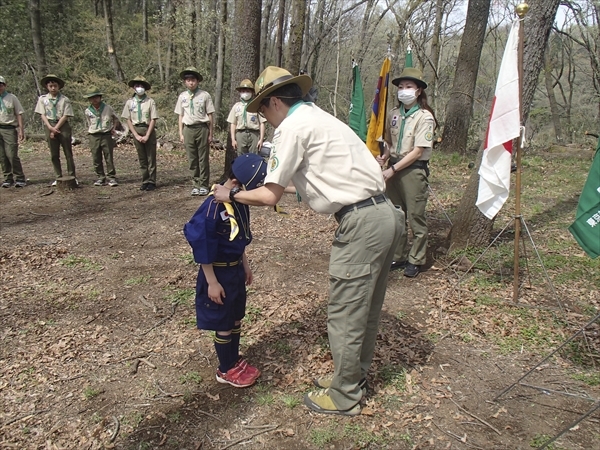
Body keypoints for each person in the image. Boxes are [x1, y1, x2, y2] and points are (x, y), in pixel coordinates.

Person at [212, 67, 404, 415]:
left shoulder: (292, 128)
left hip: (361, 222)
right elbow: (305, 181)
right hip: (385, 214)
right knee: (366, 309)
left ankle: (345, 395)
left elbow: (270, 196)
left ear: (274, 102)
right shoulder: (320, 118)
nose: (265, 121)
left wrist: (233, 193)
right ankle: (352, 378)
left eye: (263, 112)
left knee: (345, 313)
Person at [183, 153, 267, 388]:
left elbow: (237, 236)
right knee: (223, 323)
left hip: (235, 271)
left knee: (235, 317)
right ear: (238, 184)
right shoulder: (212, 207)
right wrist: (211, 282)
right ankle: (225, 368)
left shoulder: (238, 202)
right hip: (218, 274)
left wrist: (245, 265)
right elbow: (202, 245)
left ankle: (233, 358)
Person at [377, 65, 436, 278]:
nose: (404, 90)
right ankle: (399, 255)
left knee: (416, 216)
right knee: (397, 215)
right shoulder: (393, 114)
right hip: (392, 169)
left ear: (418, 90)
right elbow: (388, 142)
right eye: (401, 87)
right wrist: (384, 156)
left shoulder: (424, 117)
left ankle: (416, 258)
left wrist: (392, 169)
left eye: (408, 86)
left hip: (412, 171)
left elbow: (418, 151)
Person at [175, 67, 215, 196]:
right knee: (192, 159)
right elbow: (180, 116)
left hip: (202, 128)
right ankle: (195, 184)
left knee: (203, 158)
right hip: (188, 129)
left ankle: (203, 184)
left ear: (197, 81)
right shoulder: (182, 96)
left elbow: (210, 115)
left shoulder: (204, 95)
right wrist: (181, 133)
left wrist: (210, 133)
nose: (190, 82)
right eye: (188, 80)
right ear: (185, 82)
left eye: (193, 80)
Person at [35, 74, 77, 186]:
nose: (53, 88)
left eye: (55, 86)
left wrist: (56, 128)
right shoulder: (43, 99)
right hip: (49, 124)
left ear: (59, 87)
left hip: (62, 125)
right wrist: (50, 128)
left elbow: (66, 115)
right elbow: (42, 114)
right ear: (47, 87)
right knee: (54, 154)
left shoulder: (64, 99)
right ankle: (58, 176)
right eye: (50, 86)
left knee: (68, 152)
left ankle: (72, 176)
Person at [122, 76, 158, 191]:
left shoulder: (150, 102)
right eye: (137, 86)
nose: (139, 88)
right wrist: (135, 135)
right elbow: (127, 119)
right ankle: (145, 180)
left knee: (150, 157)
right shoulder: (129, 102)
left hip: (148, 129)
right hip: (136, 129)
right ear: (134, 87)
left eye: (142, 86)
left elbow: (153, 119)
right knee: (142, 158)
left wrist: (147, 135)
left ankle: (152, 181)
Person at [83, 86, 120, 187]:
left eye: (96, 97)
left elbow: (115, 119)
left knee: (108, 156)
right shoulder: (88, 110)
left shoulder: (108, 108)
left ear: (100, 97)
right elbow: (88, 122)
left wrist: (113, 128)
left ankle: (111, 177)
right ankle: (100, 177)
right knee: (96, 157)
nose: (94, 99)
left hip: (106, 134)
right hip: (94, 135)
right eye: (91, 98)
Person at [0, 76, 27, 188]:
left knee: (11, 154)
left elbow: (19, 114)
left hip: (9, 128)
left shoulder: (12, 98)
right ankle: (7, 178)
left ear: (4, 85)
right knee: (2, 155)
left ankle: (20, 177)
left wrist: (21, 130)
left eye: (0, 85)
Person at [227, 79, 266, 156]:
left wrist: (261, 139)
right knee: (241, 157)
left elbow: (262, 123)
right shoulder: (236, 106)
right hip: (240, 134)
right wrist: (233, 139)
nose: (245, 93)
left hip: (254, 134)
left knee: (254, 157)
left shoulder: (256, 105)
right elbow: (233, 123)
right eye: (243, 91)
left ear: (252, 92)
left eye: (248, 91)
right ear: (240, 93)